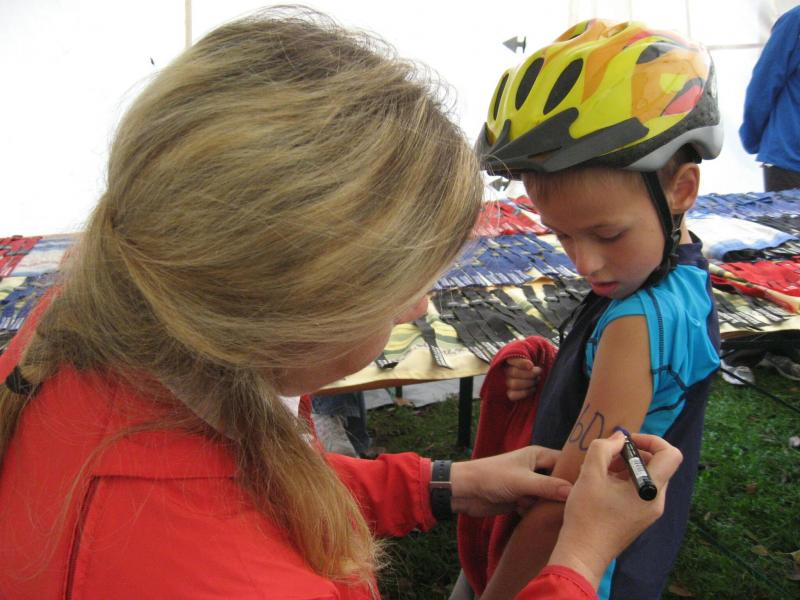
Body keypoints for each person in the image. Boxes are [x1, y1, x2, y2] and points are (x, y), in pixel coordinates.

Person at [0, 9, 682, 599]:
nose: (417, 310)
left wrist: (445, 483)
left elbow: (249, 483)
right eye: (400, 289)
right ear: (299, 312)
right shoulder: (233, 579)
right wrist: (579, 558)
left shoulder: (102, 322)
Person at [467, 19, 723, 600]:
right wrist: (559, 374)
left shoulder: (636, 323)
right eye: (562, 235)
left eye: (606, 234)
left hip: (583, 574)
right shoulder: (673, 276)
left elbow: (560, 508)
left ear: (681, 190)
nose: (586, 263)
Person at [740, 5, 800, 192]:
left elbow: (763, 85)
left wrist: (752, 139)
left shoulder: (794, 21)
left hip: (787, 156)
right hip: (788, 160)